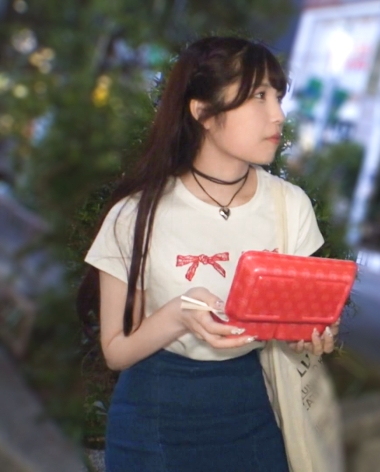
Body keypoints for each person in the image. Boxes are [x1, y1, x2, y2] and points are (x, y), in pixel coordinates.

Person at [76, 37, 339, 471]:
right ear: (203, 112)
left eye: (277, 96)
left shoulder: (289, 206)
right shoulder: (137, 213)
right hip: (155, 417)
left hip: (252, 407)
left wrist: (310, 332)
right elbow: (116, 352)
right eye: (258, 96)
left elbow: (294, 323)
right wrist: (178, 314)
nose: (278, 114)